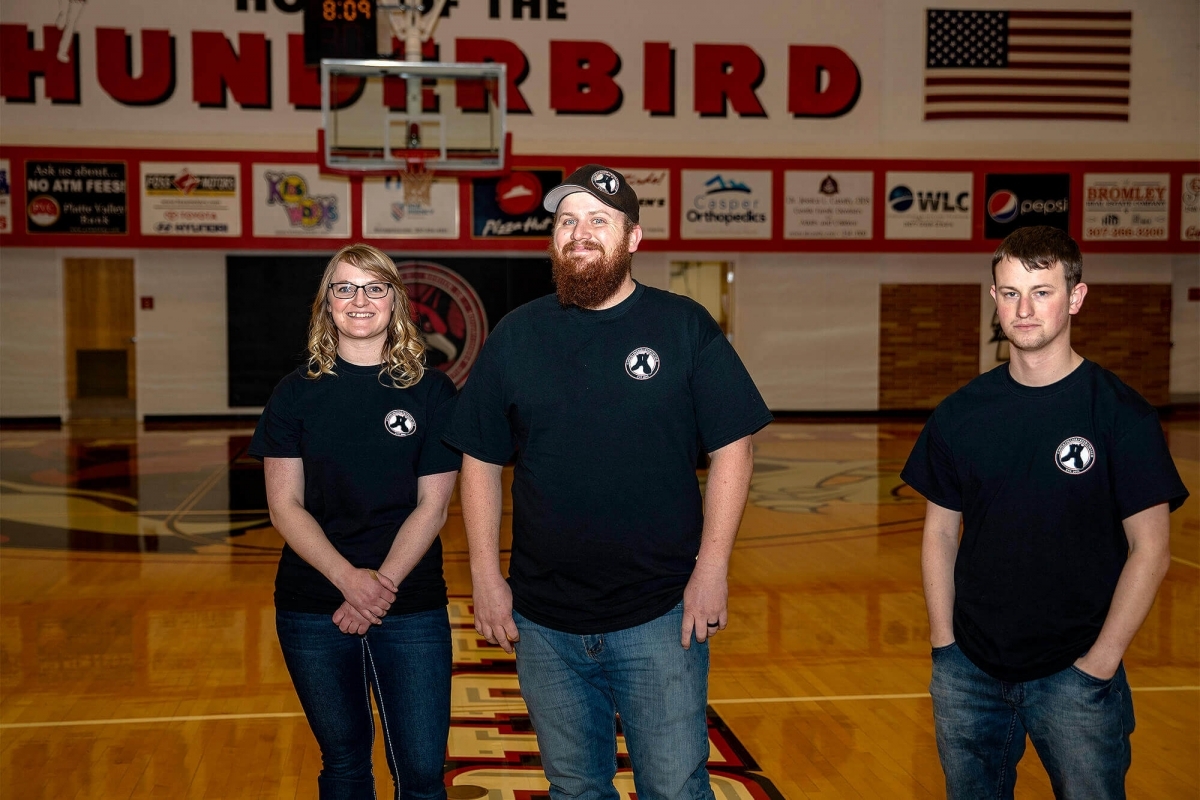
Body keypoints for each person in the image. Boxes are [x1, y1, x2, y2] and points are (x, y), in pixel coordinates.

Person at [444, 165, 773, 800]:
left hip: (659, 613)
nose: (580, 233)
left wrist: (712, 568)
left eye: (599, 220)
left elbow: (736, 447)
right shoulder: (517, 334)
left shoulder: (684, 326)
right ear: (552, 239)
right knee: (574, 789)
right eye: (567, 221)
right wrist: (484, 575)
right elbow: (479, 461)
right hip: (543, 622)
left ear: (633, 238)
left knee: (674, 789)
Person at [901, 226, 1189, 800]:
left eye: (1041, 291)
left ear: (1076, 298)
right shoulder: (961, 414)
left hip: (1076, 676)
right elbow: (939, 532)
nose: (1024, 309)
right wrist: (943, 645)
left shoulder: (1120, 415)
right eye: (1010, 293)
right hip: (969, 672)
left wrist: (1098, 666)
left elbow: (1152, 550)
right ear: (993, 299)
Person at [249, 243, 460, 800]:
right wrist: (350, 582)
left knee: (420, 773)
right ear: (327, 304)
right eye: (344, 287)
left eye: (374, 287)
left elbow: (432, 507)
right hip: (313, 605)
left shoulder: (433, 391)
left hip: (410, 605)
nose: (359, 299)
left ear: (395, 301)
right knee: (343, 765)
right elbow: (283, 507)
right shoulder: (294, 395)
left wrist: (378, 588)